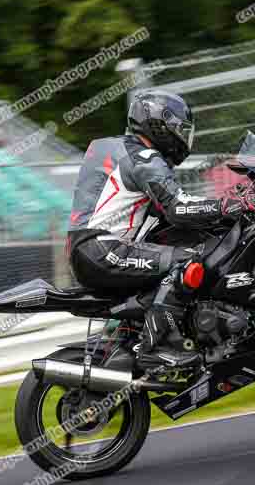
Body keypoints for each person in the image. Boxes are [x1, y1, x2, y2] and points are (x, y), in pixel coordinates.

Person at [66, 90, 244, 367]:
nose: (184, 137)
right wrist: (227, 206)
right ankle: (157, 346)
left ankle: (146, 336)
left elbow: (163, 210)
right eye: (181, 129)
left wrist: (213, 213)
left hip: (90, 249)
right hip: (102, 248)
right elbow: (179, 207)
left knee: (174, 254)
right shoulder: (144, 157)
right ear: (161, 123)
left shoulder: (117, 149)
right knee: (188, 261)